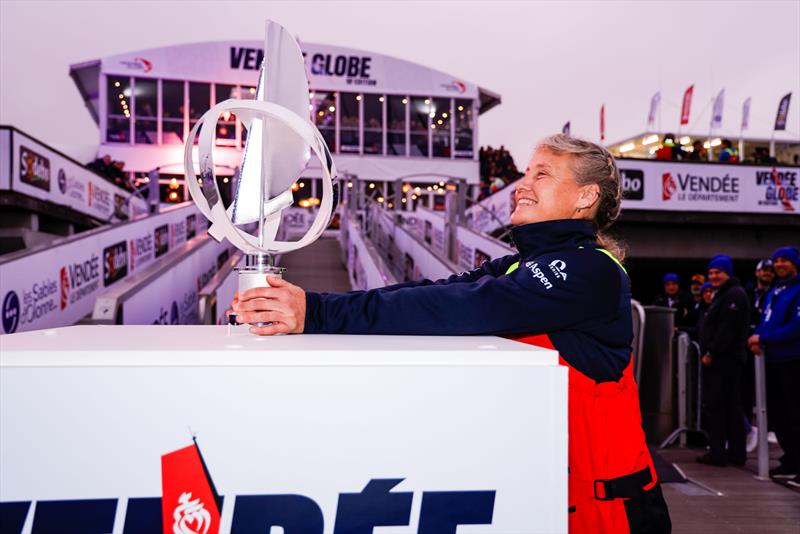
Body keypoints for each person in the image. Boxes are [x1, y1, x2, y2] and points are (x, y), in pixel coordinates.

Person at [233, 134, 672, 533]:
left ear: (585, 197)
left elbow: (463, 307)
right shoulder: (519, 264)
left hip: (613, 514)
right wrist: (318, 307)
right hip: (555, 504)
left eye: (542, 174)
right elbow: (435, 293)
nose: (523, 184)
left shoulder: (591, 271)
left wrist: (316, 312)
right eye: (525, 172)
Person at [749, 247, 800, 486]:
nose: (779, 265)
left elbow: (796, 326)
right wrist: (758, 336)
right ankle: (791, 458)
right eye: (776, 260)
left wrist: (765, 339)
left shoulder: (797, 290)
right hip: (773, 360)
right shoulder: (776, 290)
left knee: (795, 413)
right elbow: (765, 321)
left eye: (784, 261)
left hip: (792, 359)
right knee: (779, 414)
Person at [697, 255, 750, 467]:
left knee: (719, 406)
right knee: (728, 407)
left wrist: (711, 352)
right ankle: (732, 452)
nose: (714, 276)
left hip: (723, 361)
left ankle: (719, 452)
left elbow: (727, 330)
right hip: (722, 360)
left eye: (718, 272)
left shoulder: (733, 295)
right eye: (711, 273)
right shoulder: (723, 294)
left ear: (727, 273)